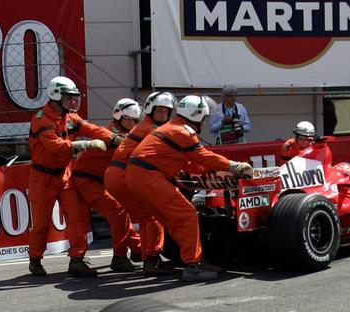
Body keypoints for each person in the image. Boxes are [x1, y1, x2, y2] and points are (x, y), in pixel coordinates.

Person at [126, 95, 253, 282]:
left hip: (137, 176)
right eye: (204, 117)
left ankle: (194, 260)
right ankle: (193, 266)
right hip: (148, 176)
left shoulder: (172, 128)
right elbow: (202, 156)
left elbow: (191, 162)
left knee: (171, 220)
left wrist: (215, 169)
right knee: (187, 214)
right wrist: (234, 166)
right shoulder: (182, 132)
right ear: (196, 115)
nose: (204, 122)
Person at [27, 75, 118, 278]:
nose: (74, 101)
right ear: (56, 96)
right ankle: (35, 259)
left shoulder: (70, 117)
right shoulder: (41, 119)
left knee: (77, 217)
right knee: (41, 224)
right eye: (69, 97)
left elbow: (91, 129)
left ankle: (77, 259)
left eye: (74, 97)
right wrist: (85, 144)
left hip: (64, 176)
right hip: (42, 178)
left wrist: (113, 138)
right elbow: (56, 146)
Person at [105, 91, 178, 276]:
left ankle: (146, 256)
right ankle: (152, 259)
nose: (162, 115)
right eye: (159, 111)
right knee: (153, 214)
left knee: (144, 217)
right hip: (124, 175)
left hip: (115, 175)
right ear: (151, 111)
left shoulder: (145, 126)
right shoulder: (152, 129)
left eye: (165, 111)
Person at [70, 98, 142, 273]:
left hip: (100, 180)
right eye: (128, 119)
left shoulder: (125, 136)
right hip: (87, 181)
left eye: (135, 120)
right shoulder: (110, 135)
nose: (131, 123)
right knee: (118, 213)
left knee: (121, 212)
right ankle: (120, 256)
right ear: (119, 117)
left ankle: (138, 248)